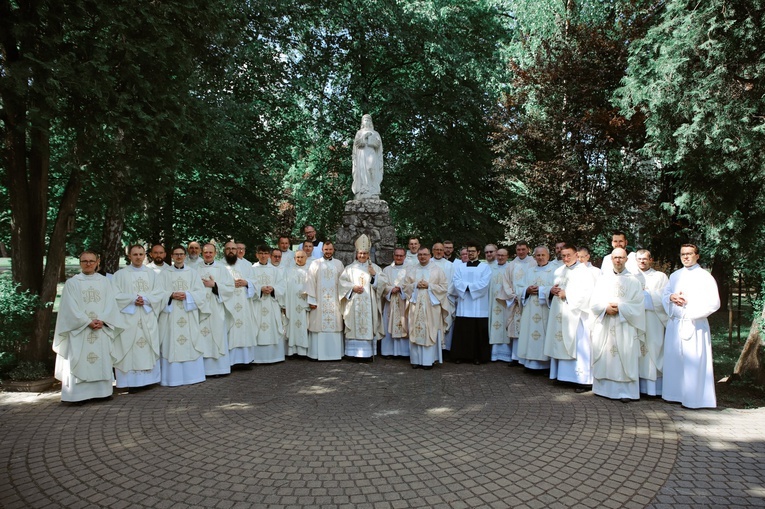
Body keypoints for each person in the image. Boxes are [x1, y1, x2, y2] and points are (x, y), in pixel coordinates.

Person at [53, 250, 123, 402]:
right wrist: (87, 321)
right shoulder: (72, 283)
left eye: (92, 261)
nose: (88, 264)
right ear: (80, 263)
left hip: (101, 328)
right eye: (85, 261)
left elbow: (111, 303)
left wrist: (103, 320)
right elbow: (68, 308)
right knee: (79, 359)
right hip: (80, 330)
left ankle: (102, 393)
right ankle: (77, 396)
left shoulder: (105, 282)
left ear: (98, 262)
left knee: (101, 358)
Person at [662, 244, 720, 408]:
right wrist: (672, 297)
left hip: (695, 324)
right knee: (675, 360)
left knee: (693, 360)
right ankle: (674, 394)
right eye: (683, 254)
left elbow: (714, 303)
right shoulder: (674, 276)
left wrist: (691, 312)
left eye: (689, 254)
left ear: (697, 255)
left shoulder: (705, 277)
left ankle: (695, 399)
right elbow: (665, 295)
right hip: (676, 323)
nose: (686, 257)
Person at [590, 248, 645, 402]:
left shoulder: (634, 281)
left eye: (621, 257)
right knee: (606, 354)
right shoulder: (603, 279)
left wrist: (621, 307)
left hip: (625, 324)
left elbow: (638, 305)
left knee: (624, 355)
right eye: (615, 257)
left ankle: (626, 392)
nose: (618, 260)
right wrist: (605, 308)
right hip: (606, 323)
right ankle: (603, 389)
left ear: (626, 259)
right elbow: (594, 302)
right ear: (611, 259)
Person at [111, 245, 164, 391]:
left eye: (141, 254)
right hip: (129, 317)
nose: (138, 257)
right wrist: (132, 299)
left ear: (145, 255)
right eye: (135, 254)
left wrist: (146, 299)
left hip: (147, 315)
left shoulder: (152, 274)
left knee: (146, 346)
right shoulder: (120, 275)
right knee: (129, 347)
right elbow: (114, 295)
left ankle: (148, 380)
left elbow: (159, 293)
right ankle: (129, 382)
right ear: (129, 256)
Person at [544, 244, 595, 391]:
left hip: (576, 315)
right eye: (563, 256)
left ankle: (582, 380)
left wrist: (568, 295)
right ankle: (562, 377)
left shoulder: (584, 272)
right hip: (560, 313)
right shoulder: (559, 270)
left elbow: (587, 294)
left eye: (569, 255)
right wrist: (551, 290)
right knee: (559, 341)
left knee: (579, 345)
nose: (565, 258)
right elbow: (552, 287)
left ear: (576, 255)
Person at [158, 246, 209, 386]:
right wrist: (171, 295)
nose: (179, 257)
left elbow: (201, 293)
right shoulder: (164, 274)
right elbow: (158, 294)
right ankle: (172, 379)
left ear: (185, 256)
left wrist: (187, 295)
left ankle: (193, 376)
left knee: (191, 342)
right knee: (171, 342)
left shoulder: (192, 273)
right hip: (171, 313)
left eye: (181, 254)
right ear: (172, 256)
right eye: (176, 254)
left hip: (188, 312)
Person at [339, 234, 387, 359]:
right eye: (360, 253)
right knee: (354, 326)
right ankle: (352, 354)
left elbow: (383, 285)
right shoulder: (349, 269)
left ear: (368, 255)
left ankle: (367, 354)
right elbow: (341, 283)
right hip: (354, 304)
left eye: (364, 253)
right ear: (356, 253)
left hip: (369, 305)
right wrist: (352, 288)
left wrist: (374, 276)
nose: (362, 256)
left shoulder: (374, 268)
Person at [403, 247, 448, 369]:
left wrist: (429, 286)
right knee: (416, 330)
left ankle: (428, 361)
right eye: (420, 255)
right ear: (417, 256)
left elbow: (444, 287)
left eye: (425, 254)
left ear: (429, 255)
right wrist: (415, 285)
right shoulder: (412, 270)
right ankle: (416, 360)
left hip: (431, 307)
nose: (422, 257)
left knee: (429, 330)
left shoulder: (437, 270)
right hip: (416, 306)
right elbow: (405, 286)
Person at [634, 249, 669, 396]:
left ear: (651, 260)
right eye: (639, 259)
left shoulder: (660, 277)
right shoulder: (631, 276)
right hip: (636, 319)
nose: (642, 261)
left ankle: (654, 390)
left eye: (645, 259)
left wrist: (647, 295)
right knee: (637, 351)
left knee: (653, 349)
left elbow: (664, 296)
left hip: (654, 319)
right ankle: (637, 387)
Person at [450, 242, 492, 364]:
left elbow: (485, 283)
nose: (470, 253)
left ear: (478, 252)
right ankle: (460, 355)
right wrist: (467, 287)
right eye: (469, 251)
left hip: (479, 306)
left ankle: (478, 356)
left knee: (478, 332)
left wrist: (468, 288)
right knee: (463, 330)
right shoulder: (460, 267)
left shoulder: (485, 267)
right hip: (464, 305)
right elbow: (456, 281)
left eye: (473, 251)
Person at [196, 243, 234, 376]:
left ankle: (219, 369)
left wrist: (215, 285)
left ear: (215, 253)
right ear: (202, 253)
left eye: (210, 252)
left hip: (216, 308)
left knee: (217, 335)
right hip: (201, 308)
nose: (208, 255)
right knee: (201, 336)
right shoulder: (195, 269)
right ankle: (202, 369)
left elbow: (230, 288)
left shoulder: (221, 268)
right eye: (205, 252)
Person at [516, 246, 555, 371]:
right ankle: (530, 364)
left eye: (543, 255)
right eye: (538, 255)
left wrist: (541, 290)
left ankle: (546, 365)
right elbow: (519, 288)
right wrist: (526, 290)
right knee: (530, 333)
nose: (541, 258)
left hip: (546, 309)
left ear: (548, 256)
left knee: (544, 333)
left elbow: (555, 288)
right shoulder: (529, 271)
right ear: (534, 257)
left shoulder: (554, 271)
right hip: (530, 308)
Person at [221, 241, 259, 366]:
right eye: (228, 249)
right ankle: (229, 361)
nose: (231, 251)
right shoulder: (220, 265)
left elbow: (255, 282)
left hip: (244, 303)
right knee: (229, 329)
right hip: (227, 303)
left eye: (234, 248)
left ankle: (245, 360)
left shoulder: (247, 265)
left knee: (244, 328)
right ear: (224, 250)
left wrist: (247, 282)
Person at [306, 241, 345, 360]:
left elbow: (344, 283)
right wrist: (311, 300)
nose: (328, 252)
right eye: (326, 249)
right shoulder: (315, 264)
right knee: (318, 325)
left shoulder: (339, 264)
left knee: (335, 325)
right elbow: (310, 282)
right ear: (322, 250)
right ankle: (316, 354)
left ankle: (335, 354)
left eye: (330, 249)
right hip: (319, 302)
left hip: (334, 302)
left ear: (333, 250)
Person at [251, 245, 286, 363]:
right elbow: (249, 285)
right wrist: (259, 289)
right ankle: (257, 358)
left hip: (271, 303)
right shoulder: (252, 269)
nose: (263, 255)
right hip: (258, 303)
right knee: (258, 325)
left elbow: (282, 286)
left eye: (265, 253)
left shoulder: (275, 270)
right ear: (257, 255)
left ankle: (274, 356)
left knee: (273, 326)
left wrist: (273, 289)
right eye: (261, 253)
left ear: (269, 255)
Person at [504, 241, 535, 364]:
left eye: (523, 249)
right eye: (518, 250)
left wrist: (525, 295)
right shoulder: (511, 265)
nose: (521, 252)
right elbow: (506, 282)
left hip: (529, 300)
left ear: (528, 249)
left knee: (527, 327)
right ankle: (515, 356)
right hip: (516, 301)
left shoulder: (533, 263)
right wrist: (513, 296)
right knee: (516, 328)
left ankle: (526, 356)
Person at [381, 247, 410, 357]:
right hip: (390, 303)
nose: (398, 257)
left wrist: (401, 289)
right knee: (388, 323)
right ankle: (388, 351)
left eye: (401, 255)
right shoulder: (387, 270)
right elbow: (382, 285)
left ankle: (404, 352)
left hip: (403, 302)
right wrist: (390, 289)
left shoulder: (410, 269)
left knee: (404, 323)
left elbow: (411, 285)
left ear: (405, 257)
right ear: (393, 256)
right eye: (397, 255)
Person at [284, 250, 312, 357]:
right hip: (292, 304)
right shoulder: (289, 271)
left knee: (304, 325)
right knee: (292, 325)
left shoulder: (309, 271)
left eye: (301, 257)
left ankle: (303, 351)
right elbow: (285, 288)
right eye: (297, 257)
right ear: (294, 259)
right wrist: (284, 304)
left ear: (306, 258)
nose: (299, 259)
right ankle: (292, 351)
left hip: (304, 304)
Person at [351, 114, 384, 200]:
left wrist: (372, 141)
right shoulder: (359, 133)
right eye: (365, 120)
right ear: (362, 122)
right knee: (363, 171)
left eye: (368, 120)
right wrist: (364, 137)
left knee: (371, 168)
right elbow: (357, 144)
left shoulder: (375, 133)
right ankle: (364, 189)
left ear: (371, 122)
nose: (367, 121)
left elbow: (379, 145)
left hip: (372, 153)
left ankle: (373, 190)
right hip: (362, 154)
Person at [489, 248, 513, 362]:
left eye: (503, 255)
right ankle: (494, 353)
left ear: (507, 256)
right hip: (493, 302)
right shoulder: (490, 268)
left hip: (506, 302)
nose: (500, 257)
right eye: (498, 255)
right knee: (494, 325)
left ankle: (507, 354)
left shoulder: (511, 268)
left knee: (505, 324)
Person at [431, 243, 456, 352]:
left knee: (446, 321)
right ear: (432, 251)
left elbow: (453, 282)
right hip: (431, 300)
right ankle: (433, 347)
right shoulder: (428, 263)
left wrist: (445, 293)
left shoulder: (449, 265)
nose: (439, 252)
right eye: (436, 249)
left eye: (441, 250)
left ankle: (445, 348)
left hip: (446, 298)